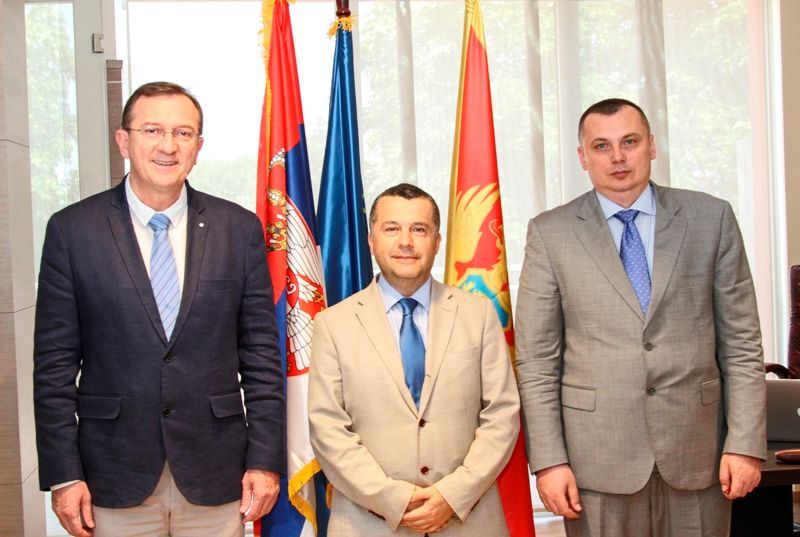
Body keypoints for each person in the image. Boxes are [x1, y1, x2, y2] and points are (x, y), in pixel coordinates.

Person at [33, 81, 285, 537]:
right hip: (112, 471)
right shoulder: (73, 231)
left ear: (198, 147)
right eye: (152, 131)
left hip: (216, 471)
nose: (168, 146)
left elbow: (262, 358)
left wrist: (265, 461)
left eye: (183, 133)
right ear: (123, 141)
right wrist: (64, 474)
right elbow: (53, 367)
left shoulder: (238, 229)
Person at [515, 98, 766, 536]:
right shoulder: (550, 232)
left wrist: (744, 444)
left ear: (651, 145)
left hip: (699, 453)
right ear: (582, 157)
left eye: (629, 142)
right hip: (596, 462)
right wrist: (549, 461)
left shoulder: (711, 218)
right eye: (602, 146)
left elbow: (742, 345)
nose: (617, 157)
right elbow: (536, 362)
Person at [308, 183, 520, 536]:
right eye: (391, 229)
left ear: (437, 241)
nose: (405, 241)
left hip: (467, 520)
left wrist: (451, 496)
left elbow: (502, 414)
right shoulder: (333, 324)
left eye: (419, 229)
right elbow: (327, 427)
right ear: (371, 240)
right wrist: (393, 500)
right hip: (367, 524)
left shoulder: (479, 314)